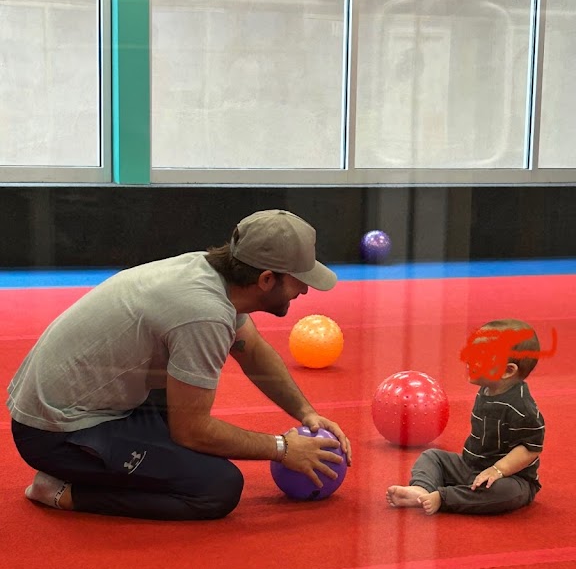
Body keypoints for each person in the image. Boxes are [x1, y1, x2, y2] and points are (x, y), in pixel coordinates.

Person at [8, 209, 351, 521]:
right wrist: (282, 449)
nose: (305, 290)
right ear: (265, 280)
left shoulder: (210, 273)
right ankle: (64, 492)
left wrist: (306, 412)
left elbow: (253, 351)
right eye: (299, 279)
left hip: (89, 407)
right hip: (55, 433)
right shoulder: (204, 312)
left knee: (196, 446)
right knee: (217, 487)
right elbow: (192, 430)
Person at [386, 319, 545, 516]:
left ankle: (444, 498)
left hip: (511, 477)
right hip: (471, 466)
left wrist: (497, 470)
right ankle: (422, 489)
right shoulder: (487, 389)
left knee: (506, 493)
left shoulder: (521, 407)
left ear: (507, 371)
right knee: (432, 456)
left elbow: (530, 449)